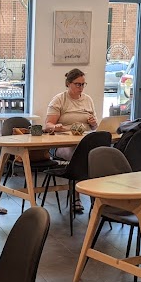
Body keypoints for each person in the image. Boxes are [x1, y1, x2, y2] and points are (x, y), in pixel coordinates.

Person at [44, 68, 98, 213]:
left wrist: (93, 123)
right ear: (68, 84)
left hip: (84, 141)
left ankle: (100, 197)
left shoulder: (88, 100)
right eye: (77, 84)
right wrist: (56, 127)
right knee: (80, 155)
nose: (81, 87)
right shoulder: (59, 99)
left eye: (83, 84)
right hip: (62, 144)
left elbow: (95, 127)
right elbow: (48, 125)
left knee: (99, 154)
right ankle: (76, 196)